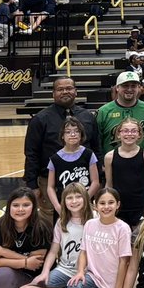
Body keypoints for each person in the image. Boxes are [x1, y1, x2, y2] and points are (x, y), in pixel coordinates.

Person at [25, 79, 101, 207]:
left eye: (69, 88)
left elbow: (96, 148)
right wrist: (32, 184)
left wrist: (99, 178)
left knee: (84, 218)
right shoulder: (40, 119)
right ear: (53, 93)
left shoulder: (88, 117)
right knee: (51, 220)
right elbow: (31, 153)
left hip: (84, 179)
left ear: (76, 92)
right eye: (60, 89)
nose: (65, 92)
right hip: (50, 181)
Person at [0, 187, 51, 288]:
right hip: (15, 273)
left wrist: (3, 252)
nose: (20, 209)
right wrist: (25, 262)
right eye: (15, 205)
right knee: (2, 275)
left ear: (34, 207)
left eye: (26, 205)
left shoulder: (42, 227)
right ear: (9, 206)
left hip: (39, 275)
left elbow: (36, 263)